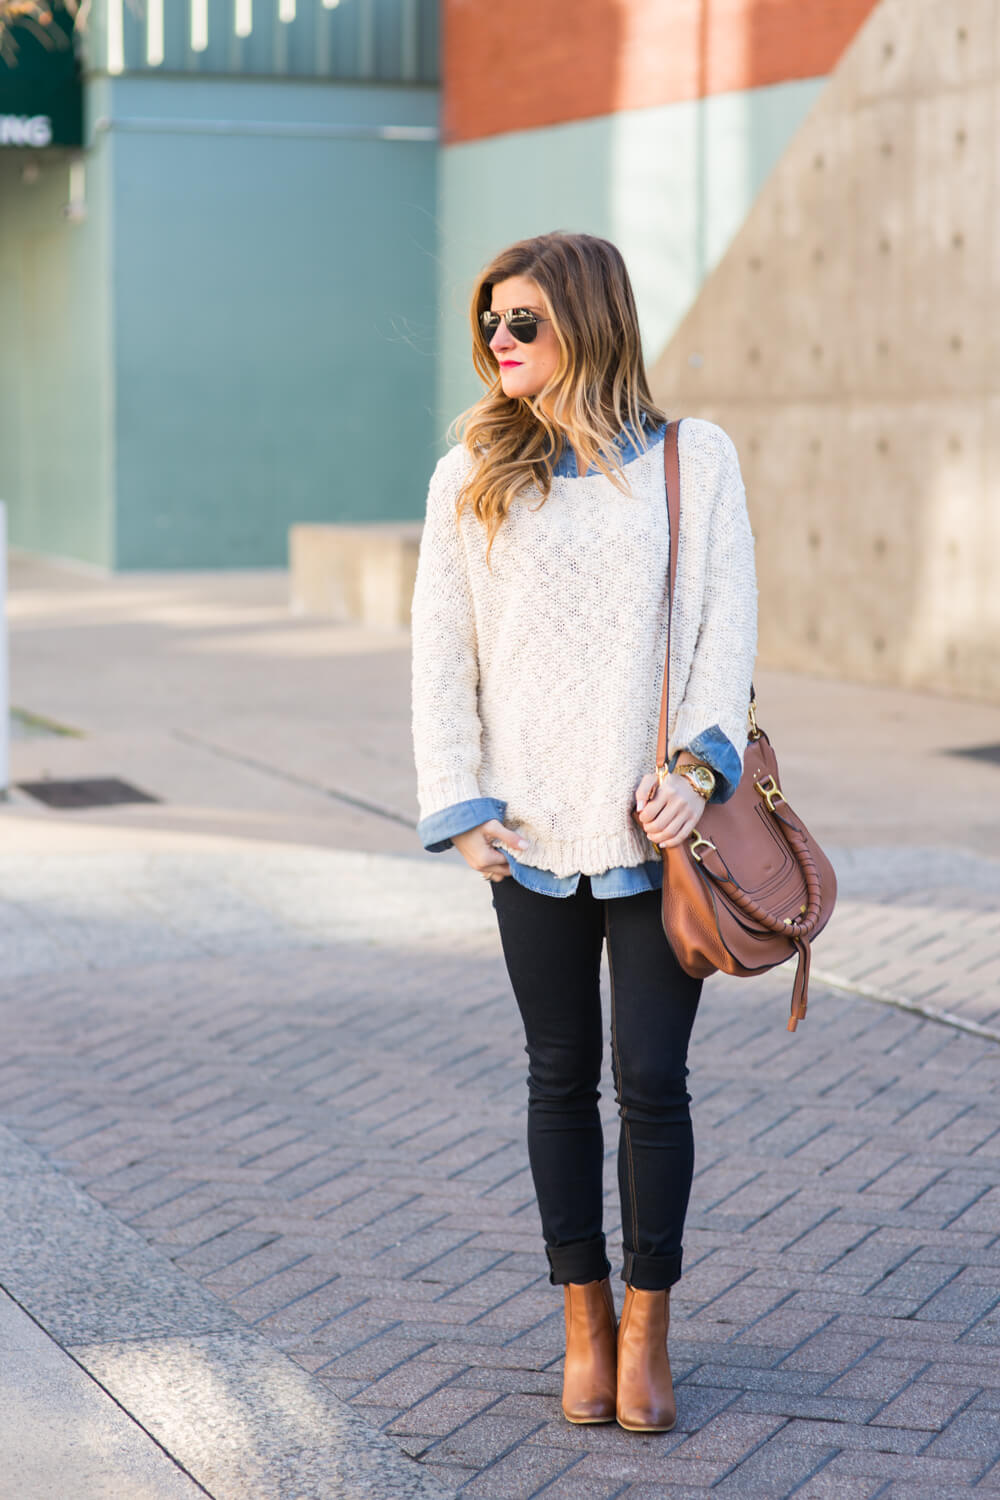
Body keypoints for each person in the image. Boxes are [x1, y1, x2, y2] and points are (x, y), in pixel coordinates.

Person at [410, 232, 757, 1433]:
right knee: (556, 1079)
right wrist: (458, 804)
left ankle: (650, 1331)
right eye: (492, 324)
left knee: (651, 1084)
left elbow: (725, 631)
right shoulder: (470, 471)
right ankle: (584, 1322)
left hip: (654, 832)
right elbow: (439, 653)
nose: (501, 343)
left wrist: (698, 770)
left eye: (527, 323)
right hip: (526, 834)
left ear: (591, 325)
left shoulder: (691, 462)